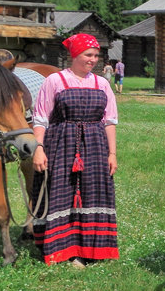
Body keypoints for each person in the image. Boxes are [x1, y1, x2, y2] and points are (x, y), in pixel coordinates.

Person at [31, 33, 119, 267]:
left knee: (92, 193)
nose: (93, 60)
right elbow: (40, 119)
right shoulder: (54, 81)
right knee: (62, 193)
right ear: (75, 55)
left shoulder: (102, 84)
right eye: (88, 55)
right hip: (61, 145)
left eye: (96, 56)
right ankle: (64, 250)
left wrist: (112, 154)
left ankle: (92, 249)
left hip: (95, 147)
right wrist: (39, 148)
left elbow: (110, 121)